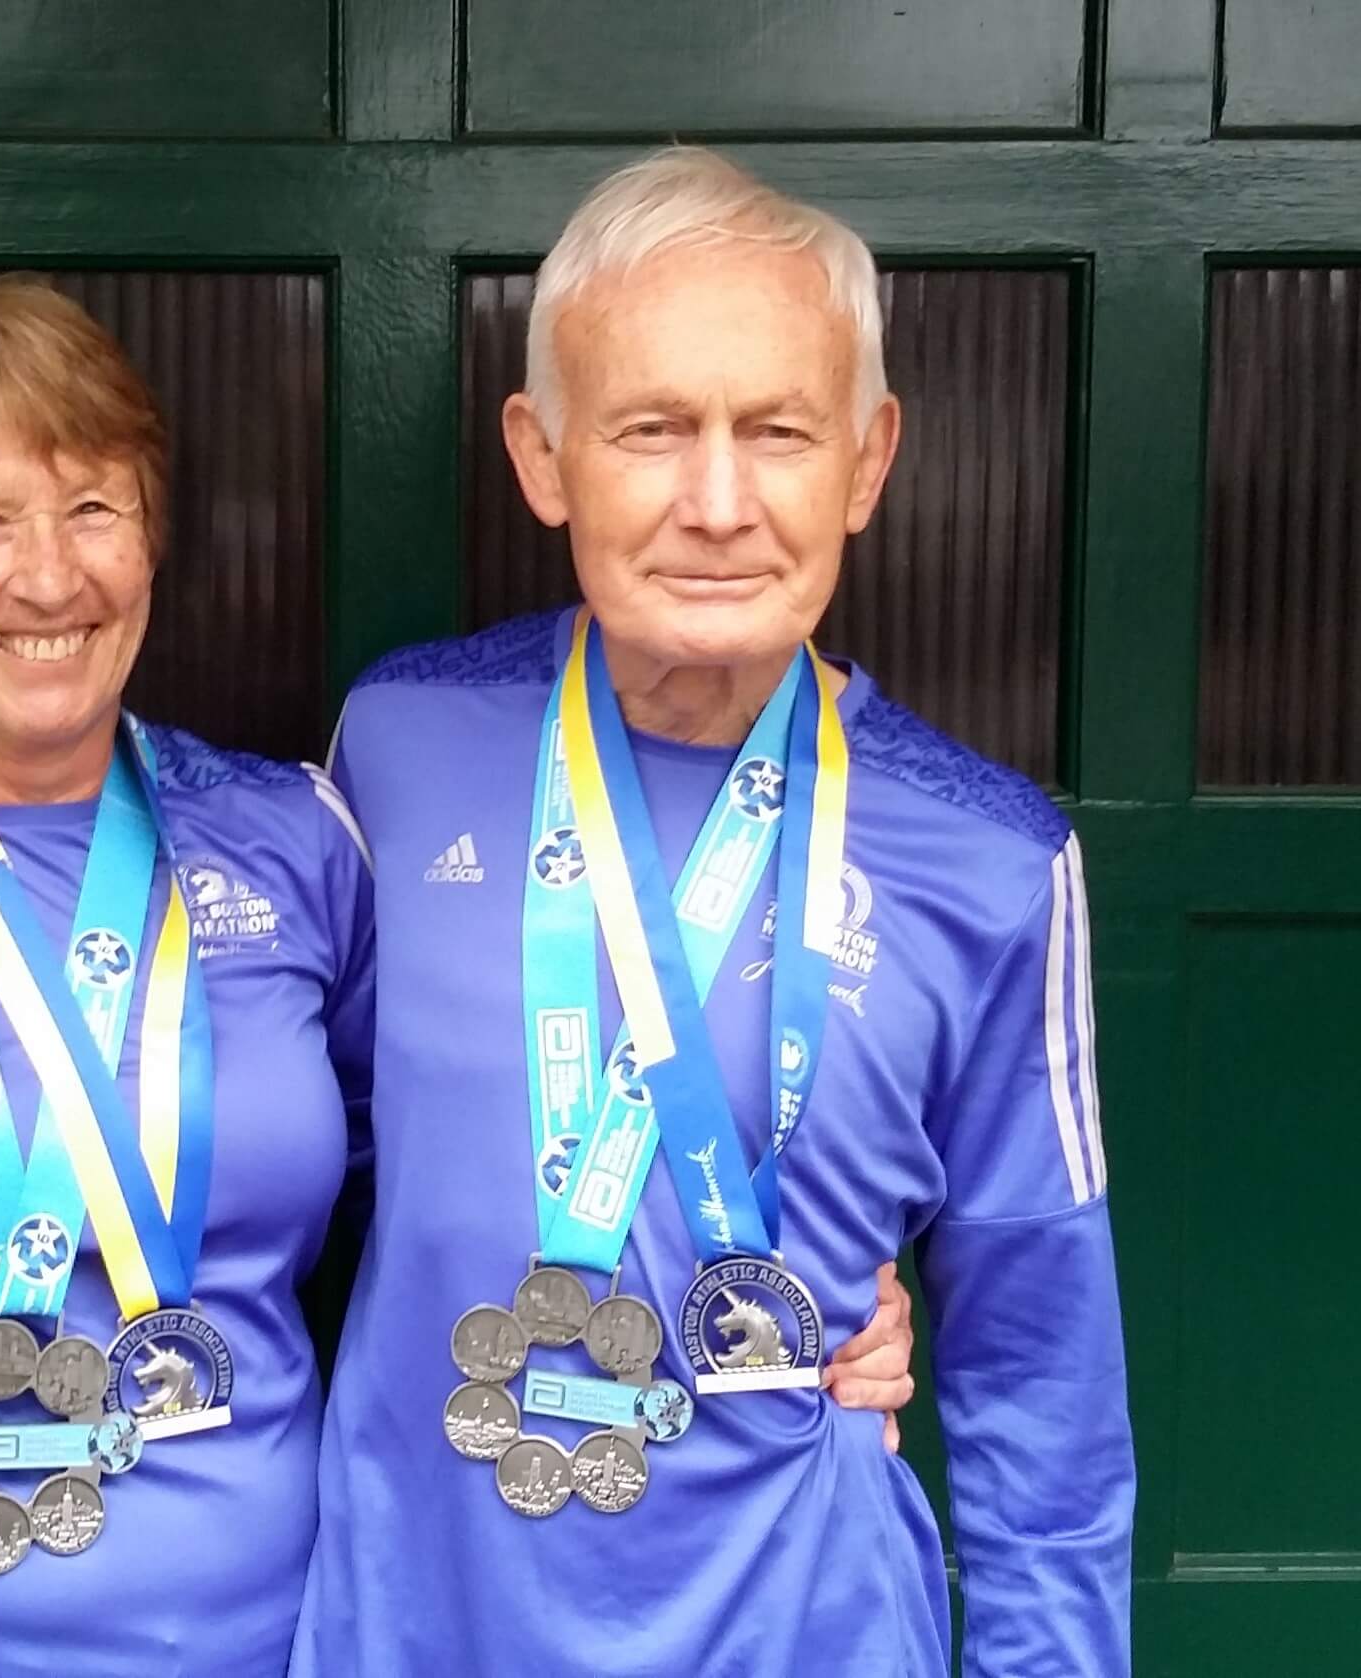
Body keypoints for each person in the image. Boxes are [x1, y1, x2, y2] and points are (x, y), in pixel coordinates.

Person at [0, 275, 916, 1678]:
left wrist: (808, 1302)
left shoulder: (296, 837)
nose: (50, 575)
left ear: (151, 542)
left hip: (258, 1644)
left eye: (92, 509)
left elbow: (459, 1164)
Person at [294, 149, 1134, 1677]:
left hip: (809, 1632)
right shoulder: (399, 749)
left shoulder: (996, 859)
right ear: (544, 457)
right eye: (653, 429)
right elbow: (244, 1155)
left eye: (780, 431)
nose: (720, 501)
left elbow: (1046, 1405)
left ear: (868, 462)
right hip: (423, 1626)